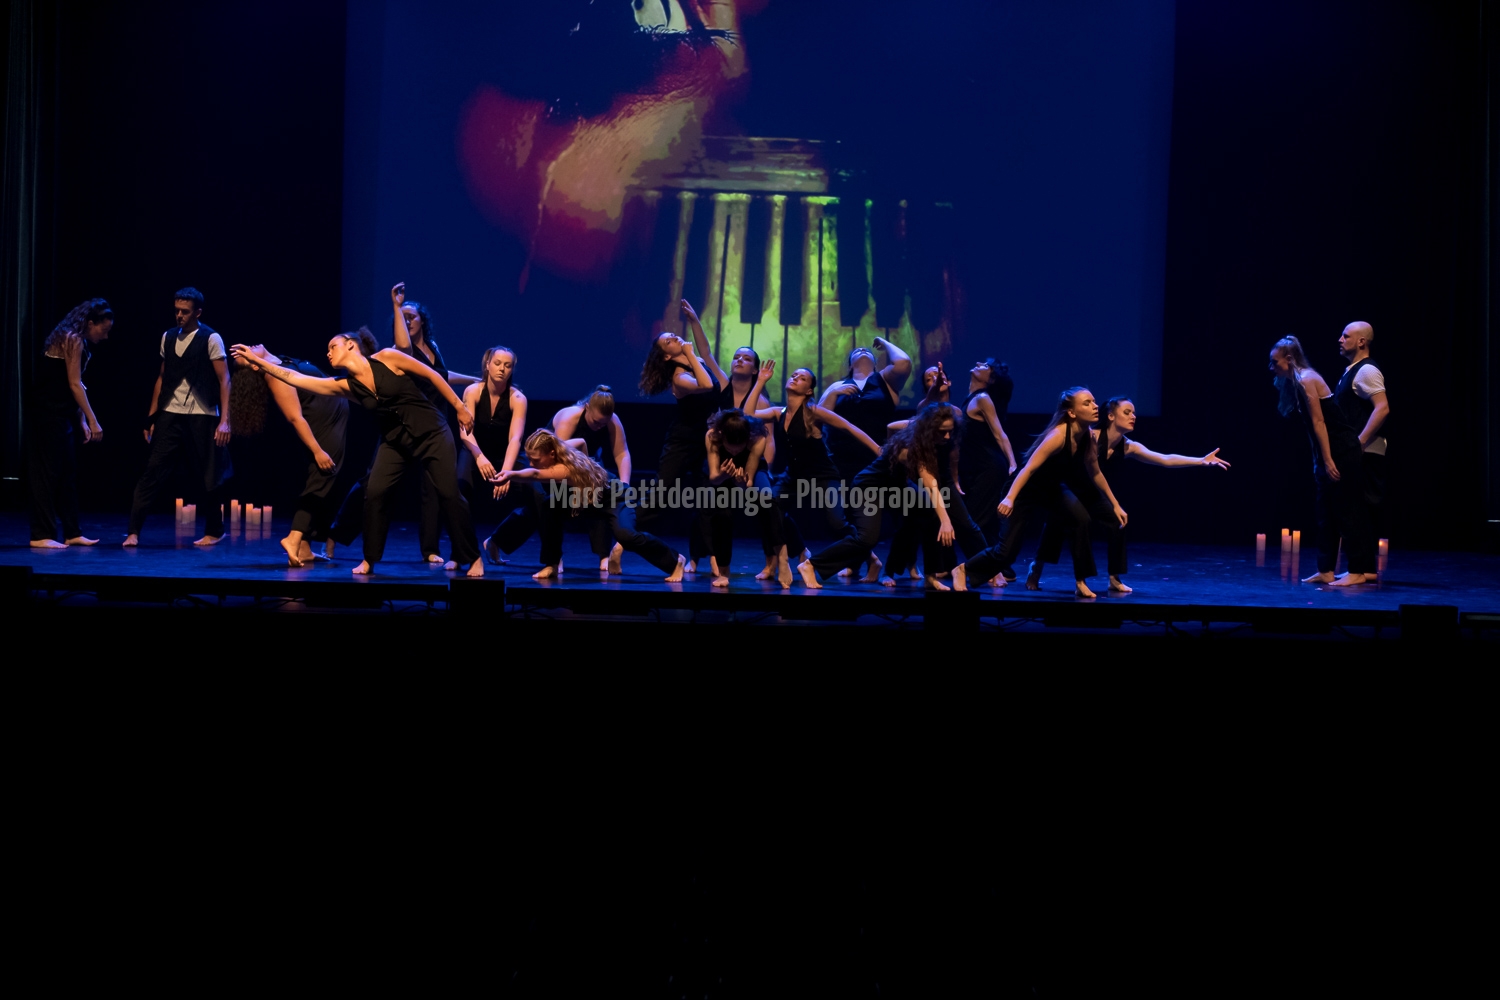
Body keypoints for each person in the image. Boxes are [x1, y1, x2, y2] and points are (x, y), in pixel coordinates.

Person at [229, 322, 484, 577]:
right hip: (395, 442)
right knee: (374, 492)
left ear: (351, 345)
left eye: (333, 346)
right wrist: (257, 361)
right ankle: (369, 559)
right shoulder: (344, 385)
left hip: (432, 432)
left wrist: (459, 407)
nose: (328, 353)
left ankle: (472, 557)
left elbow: (432, 375)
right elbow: (296, 378)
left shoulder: (387, 357)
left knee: (449, 494)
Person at [1031, 396, 1229, 593]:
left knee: (1117, 521)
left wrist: (1201, 461)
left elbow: (1165, 459)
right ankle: (1038, 570)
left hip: (1092, 494)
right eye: (1127, 412)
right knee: (1055, 530)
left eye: (1134, 413)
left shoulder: (1128, 446)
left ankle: (1114, 578)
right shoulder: (1091, 437)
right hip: (1069, 490)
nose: (1133, 416)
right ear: (1110, 416)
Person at [951, 387, 1127, 598]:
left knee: (1081, 518)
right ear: (1071, 412)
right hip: (1024, 490)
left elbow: (1095, 472)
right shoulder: (1058, 436)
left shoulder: (1088, 436)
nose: (1095, 406)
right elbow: (1028, 469)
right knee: (1006, 553)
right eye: (1087, 403)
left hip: (1051, 489)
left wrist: (1115, 504)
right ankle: (963, 569)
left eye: (1094, 401)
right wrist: (1010, 498)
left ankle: (1081, 581)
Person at [796, 403, 977, 590]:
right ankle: (811, 565)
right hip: (869, 488)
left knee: (929, 511)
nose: (947, 436)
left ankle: (930, 575)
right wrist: (946, 520)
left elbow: (892, 427)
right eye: (942, 432)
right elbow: (931, 484)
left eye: (950, 431)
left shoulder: (928, 440)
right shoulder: (912, 448)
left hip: (896, 487)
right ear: (929, 429)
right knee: (867, 539)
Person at [497, 429, 686, 582]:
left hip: (616, 497)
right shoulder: (563, 448)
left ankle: (675, 561)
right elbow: (581, 442)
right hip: (590, 499)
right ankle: (551, 564)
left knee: (626, 536)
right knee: (548, 507)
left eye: (536, 460)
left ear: (551, 454)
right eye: (529, 459)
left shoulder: (565, 468)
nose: (531, 463)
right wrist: (586, 473)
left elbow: (535, 475)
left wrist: (510, 474)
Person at [124, 287, 234, 547]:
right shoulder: (168, 337)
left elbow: (224, 380)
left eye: (185, 311)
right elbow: (162, 378)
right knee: (153, 471)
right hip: (170, 413)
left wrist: (225, 420)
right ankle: (133, 531)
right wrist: (151, 418)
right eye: (176, 311)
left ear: (197, 312)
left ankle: (215, 531)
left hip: (202, 414)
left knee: (209, 475)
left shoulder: (211, 338)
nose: (179, 316)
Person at [230, 345, 349, 566]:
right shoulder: (275, 377)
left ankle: (304, 548)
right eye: (246, 356)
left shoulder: (281, 361)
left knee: (324, 483)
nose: (249, 348)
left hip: (334, 422)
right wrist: (317, 450)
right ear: (255, 366)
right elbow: (295, 418)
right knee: (321, 480)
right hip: (322, 428)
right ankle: (293, 538)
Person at [1269, 335, 1374, 586]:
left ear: (1289, 359)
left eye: (1275, 362)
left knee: (1346, 512)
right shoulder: (1297, 382)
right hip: (1328, 452)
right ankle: (1325, 570)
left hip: (1342, 450)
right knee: (1325, 513)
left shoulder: (1307, 379)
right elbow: (1311, 428)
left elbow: (1319, 422)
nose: (1271, 367)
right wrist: (1318, 460)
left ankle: (1358, 571)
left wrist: (1327, 460)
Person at [757, 368, 881, 560]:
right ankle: (798, 551)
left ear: (809, 391)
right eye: (794, 375)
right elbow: (746, 413)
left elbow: (849, 427)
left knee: (837, 524)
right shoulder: (778, 412)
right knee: (769, 507)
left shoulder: (814, 412)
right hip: (794, 476)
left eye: (802, 378)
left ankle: (870, 557)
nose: (795, 377)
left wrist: (878, 450)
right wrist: (760, 382)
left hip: (823, 475)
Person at [390, 283, 476, 563]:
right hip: (410, 424)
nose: (407, 321)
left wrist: (476, 381)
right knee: (374, 485)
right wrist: (396, 305)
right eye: (402, 318)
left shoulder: (433, 347)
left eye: (411, 317)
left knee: (435, 487)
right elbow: (404, 344)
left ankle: (430, 549)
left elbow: (442, 375)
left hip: (437, 423)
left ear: (422, 321)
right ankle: (335, 534)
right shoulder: (400, 351)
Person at [638, 299, 718, 570]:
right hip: (682, 442)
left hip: (706, 441)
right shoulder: (680, 377)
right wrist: (690, 354)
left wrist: (694, 320)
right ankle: (622, 540)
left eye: (673, 335)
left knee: (708, 500)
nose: (674, 337)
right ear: (666, 356)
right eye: (668, 341)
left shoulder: (697, 361)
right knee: (661, 497)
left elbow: (705, 350)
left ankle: (709, 560)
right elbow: (706, 385)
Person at [28, 298, 112, 547]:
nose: (105, 336)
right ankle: (41, 535)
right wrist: (93, 421)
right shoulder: (71, 338)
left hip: (61, 413)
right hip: (46, 413)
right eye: (104, 330)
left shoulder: (78, 340)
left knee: (67, 473)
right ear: (90, 323)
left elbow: (74, 385)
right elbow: (74, 384)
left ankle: (72, 532)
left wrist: (81, 420)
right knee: (47, 474)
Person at [699, 409, 791, 587]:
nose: (734, 452)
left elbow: (747, 484)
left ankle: (782, 558)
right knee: (721, 513)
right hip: (722, 474)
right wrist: (725, 474)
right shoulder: (712, 436)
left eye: (739, 448)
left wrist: (741, 482)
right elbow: (714, 478)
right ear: (722, 436)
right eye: (729, 448)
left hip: (749, 474)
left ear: (747, 438)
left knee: (767, 500)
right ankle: (723, 571)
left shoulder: (757, 438)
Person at [457, 345, 528, 564]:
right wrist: (479, 456)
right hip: (475, 449)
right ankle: (460, 554)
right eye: (497, 363)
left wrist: (506, 471)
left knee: (537, 496)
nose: (502, 369)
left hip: (505, 453)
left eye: (507, 365)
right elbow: (465, 433)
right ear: (487, 365)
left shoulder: (518, 398)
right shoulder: (473, 391)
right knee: (459, 490)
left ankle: (497, 541)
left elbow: (515, 438)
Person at [817, 337, 912, 484]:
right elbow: (819, 419)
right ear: (850, 366)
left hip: (879, 457)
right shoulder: (837, 385)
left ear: (875, 364)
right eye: (857, 351)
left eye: (867, 351)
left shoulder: (885, 380)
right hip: (841, 461)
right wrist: (833, 393)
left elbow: (903, 363)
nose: (862, 350)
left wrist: (885, 343)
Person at [1334, 321, 1388, 571]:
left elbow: (1382, 408)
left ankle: (1363, 569)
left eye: (1346, 336)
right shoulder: (1352, 371)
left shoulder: (1366, 370)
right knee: (1354, 509)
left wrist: (1360, 442)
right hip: (1357, 453)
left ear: (1361, 342)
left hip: (1365, 453)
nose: (1340, 339)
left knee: (1361, 510)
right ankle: (1362, 569)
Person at [957, 359, 1018, 544]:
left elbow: (1000, 434)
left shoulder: (982, 399)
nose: (978, 363)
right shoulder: (972, 398)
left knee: (975, 523)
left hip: (989, 469)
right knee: (982, 525)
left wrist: (1013, 463)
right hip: (977, 469)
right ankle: (995, 561)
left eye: (986, 366)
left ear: (991, 379)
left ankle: (992, 560)